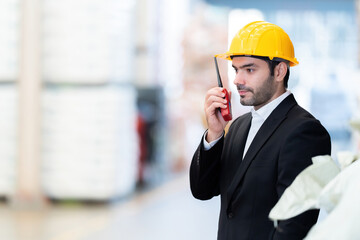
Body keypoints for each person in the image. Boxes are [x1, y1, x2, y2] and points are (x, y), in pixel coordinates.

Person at [189, 21, 331, 240]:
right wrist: (214, 134)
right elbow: (202, 190)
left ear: (280, 71)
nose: (238, 80)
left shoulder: (305, 132)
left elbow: (295, 224)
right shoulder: (237, 126)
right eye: (236, 70)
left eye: (250, 69)